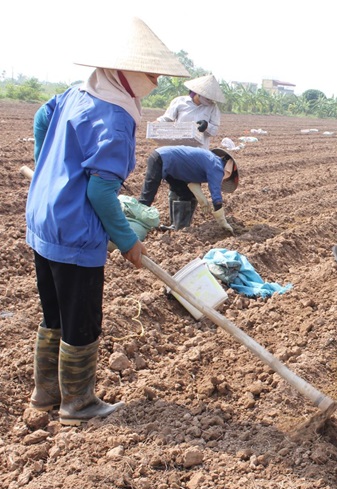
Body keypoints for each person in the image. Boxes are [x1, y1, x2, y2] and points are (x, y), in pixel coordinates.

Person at [26, 17, 189, 425]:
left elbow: (40, 121)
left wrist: (48, 167)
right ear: (126, 72)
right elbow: (100, 193)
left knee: (54, 313)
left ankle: (45, 392)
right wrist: (129, 242)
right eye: (151, 73)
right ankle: (77, 403)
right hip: (77, 229)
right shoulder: (116, 120)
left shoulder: (75, 95)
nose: (155, 80)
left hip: (44, 215)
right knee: (81, 318)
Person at [137, 145, 238, 233]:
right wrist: (222, 220)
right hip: (162, 158)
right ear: (229, 171)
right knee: (148, 196)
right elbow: (216, 195)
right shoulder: (217, 167)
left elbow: (191, 179)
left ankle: (178, 227)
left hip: (169, 161)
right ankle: (135, 224)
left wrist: (202, 199)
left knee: (185, 193)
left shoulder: (212, 160)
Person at [157, 74, 225, 149]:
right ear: (198, 93)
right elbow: (167, 118)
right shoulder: (179, 101)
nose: (209, 100)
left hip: (199, 150)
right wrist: (157, 123)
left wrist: (206, 126)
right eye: (207, 97)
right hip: (179, 147)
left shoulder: (213, 108)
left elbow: (214, 131)